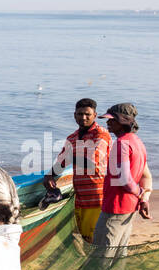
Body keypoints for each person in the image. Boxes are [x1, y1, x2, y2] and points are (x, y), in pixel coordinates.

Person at [44, 99, 112, 242]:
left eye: (87, 114)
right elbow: (62, 162)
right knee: (77, 238)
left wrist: (71, 157)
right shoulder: (72, 138)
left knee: (95, 240)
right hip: (79, 198)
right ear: (74, 115)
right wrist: (49, 175)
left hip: (98, 197)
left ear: (95, 115)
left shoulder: (101, 134)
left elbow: (92, 162)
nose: (83, 117)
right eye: (80, 114)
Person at [92, 103, 151, 257]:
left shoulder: (121, 144)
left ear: (123, 121)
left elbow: (125, 180)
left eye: (112, 120)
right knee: (119, 254)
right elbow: (146, 176)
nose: (108, 123)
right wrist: (144, 198)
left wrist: (139, 192)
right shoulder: (138, 142)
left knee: (101, 255)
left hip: (115, 208)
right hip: (130, 208)